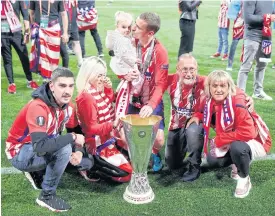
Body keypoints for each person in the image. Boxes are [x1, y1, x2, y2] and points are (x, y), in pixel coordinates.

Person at [5, 67, 95, 211]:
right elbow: (40, 147)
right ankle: (46, 196)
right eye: (62, 85)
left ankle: (37, 171)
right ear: (52, 86)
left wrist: (78, 151)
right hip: (20, 152)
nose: (67, 91)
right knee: (64, 149)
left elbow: (77, 133)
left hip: (44, 144)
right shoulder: (38, 107)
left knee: (86, 161)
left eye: (71, 86)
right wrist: (71, 137)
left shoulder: (68, 106)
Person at [190, 70, 272, 198]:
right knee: (213, 160)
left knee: (237, 147)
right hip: (235, 137)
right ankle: (236, 165)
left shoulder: (238, 101)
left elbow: (248, 132)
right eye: (214, 86)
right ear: (209, 87)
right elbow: (201, 111)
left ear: (229, 87)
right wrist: (197, 116)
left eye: (222, 86)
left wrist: (219, 139)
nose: (218, 89)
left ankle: (244, 178)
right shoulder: (208, 99)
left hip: (255, 140)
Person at [75, 56, 132, 182]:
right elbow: (91, 128)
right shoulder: (87, 97)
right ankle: (90, 165)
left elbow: (108, 102)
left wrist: (107, 89)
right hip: (97, 143)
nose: (102, 78)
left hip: (107, 138)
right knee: (126, 174)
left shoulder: (95, 89)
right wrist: (113, 124)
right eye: (99, 75)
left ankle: (96, 160)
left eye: (103, 75)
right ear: (89, 74)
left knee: (130, 161)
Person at [125, 12, 169, 172]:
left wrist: (150, 105)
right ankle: (126, 150)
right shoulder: (129, 43)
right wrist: (124, 75)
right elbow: (118, 66)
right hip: (130, 98)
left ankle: (154, 152)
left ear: (150, 33)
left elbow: (160, 84)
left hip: (150, 99)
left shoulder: (159, 52)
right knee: (122, 135)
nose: (133, 28)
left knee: (158, 139)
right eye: (135, 23)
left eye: (137, 27)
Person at [165, 54, 205, 181]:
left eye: (192, 69)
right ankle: (185, 147)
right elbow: (149, 84)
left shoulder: (205, 82)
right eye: (185, 69)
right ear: (177, 69)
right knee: (172, 164)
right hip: (176, 126)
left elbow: (229, 87)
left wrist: (245, 98)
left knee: (193, 130)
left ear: (197, 69)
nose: (189, 73)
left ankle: (195, 166)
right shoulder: (170, 80)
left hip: (195, 125)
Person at [237, 0, 275, 101]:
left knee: (262, 64)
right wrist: (268, 17)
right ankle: (240, 93)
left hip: (266, 35)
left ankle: (258, 91)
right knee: (246, 66)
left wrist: (271, 16)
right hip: (252, 36)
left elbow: (271, 13)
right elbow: (248, 18)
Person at [106, 11, 144, 109]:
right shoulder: (117, 37)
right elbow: (119, 52)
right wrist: (133, 59)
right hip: (121, 65)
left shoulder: (123, 36)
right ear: (117, 26)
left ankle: (119, 95)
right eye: (124, 27)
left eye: (129, 27)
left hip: (122, 63)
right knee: (136, 78)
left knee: (128, 80)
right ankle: (133, 97)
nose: (127, 30)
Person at [1, 0, 39, 94]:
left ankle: (29, 81)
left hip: (16, 32)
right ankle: (11, 84)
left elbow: (25, 15)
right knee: (7, 59)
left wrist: (27, 31)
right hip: (2, 33)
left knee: (24, 57)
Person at [29, 0, 69, 81]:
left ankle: (53, 76)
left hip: (53, 28)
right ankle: (46, 77)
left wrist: (65, 33)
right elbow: (31, 13)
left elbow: (64, 14)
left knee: (53, 55)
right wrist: (33, 27)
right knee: (42, 54)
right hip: (40, 28)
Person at [226, 0, 244, 71]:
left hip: (248, 24)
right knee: (234, 44)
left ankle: (246, 64)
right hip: (239, 23)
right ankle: (229, 64)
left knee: (247, 45)